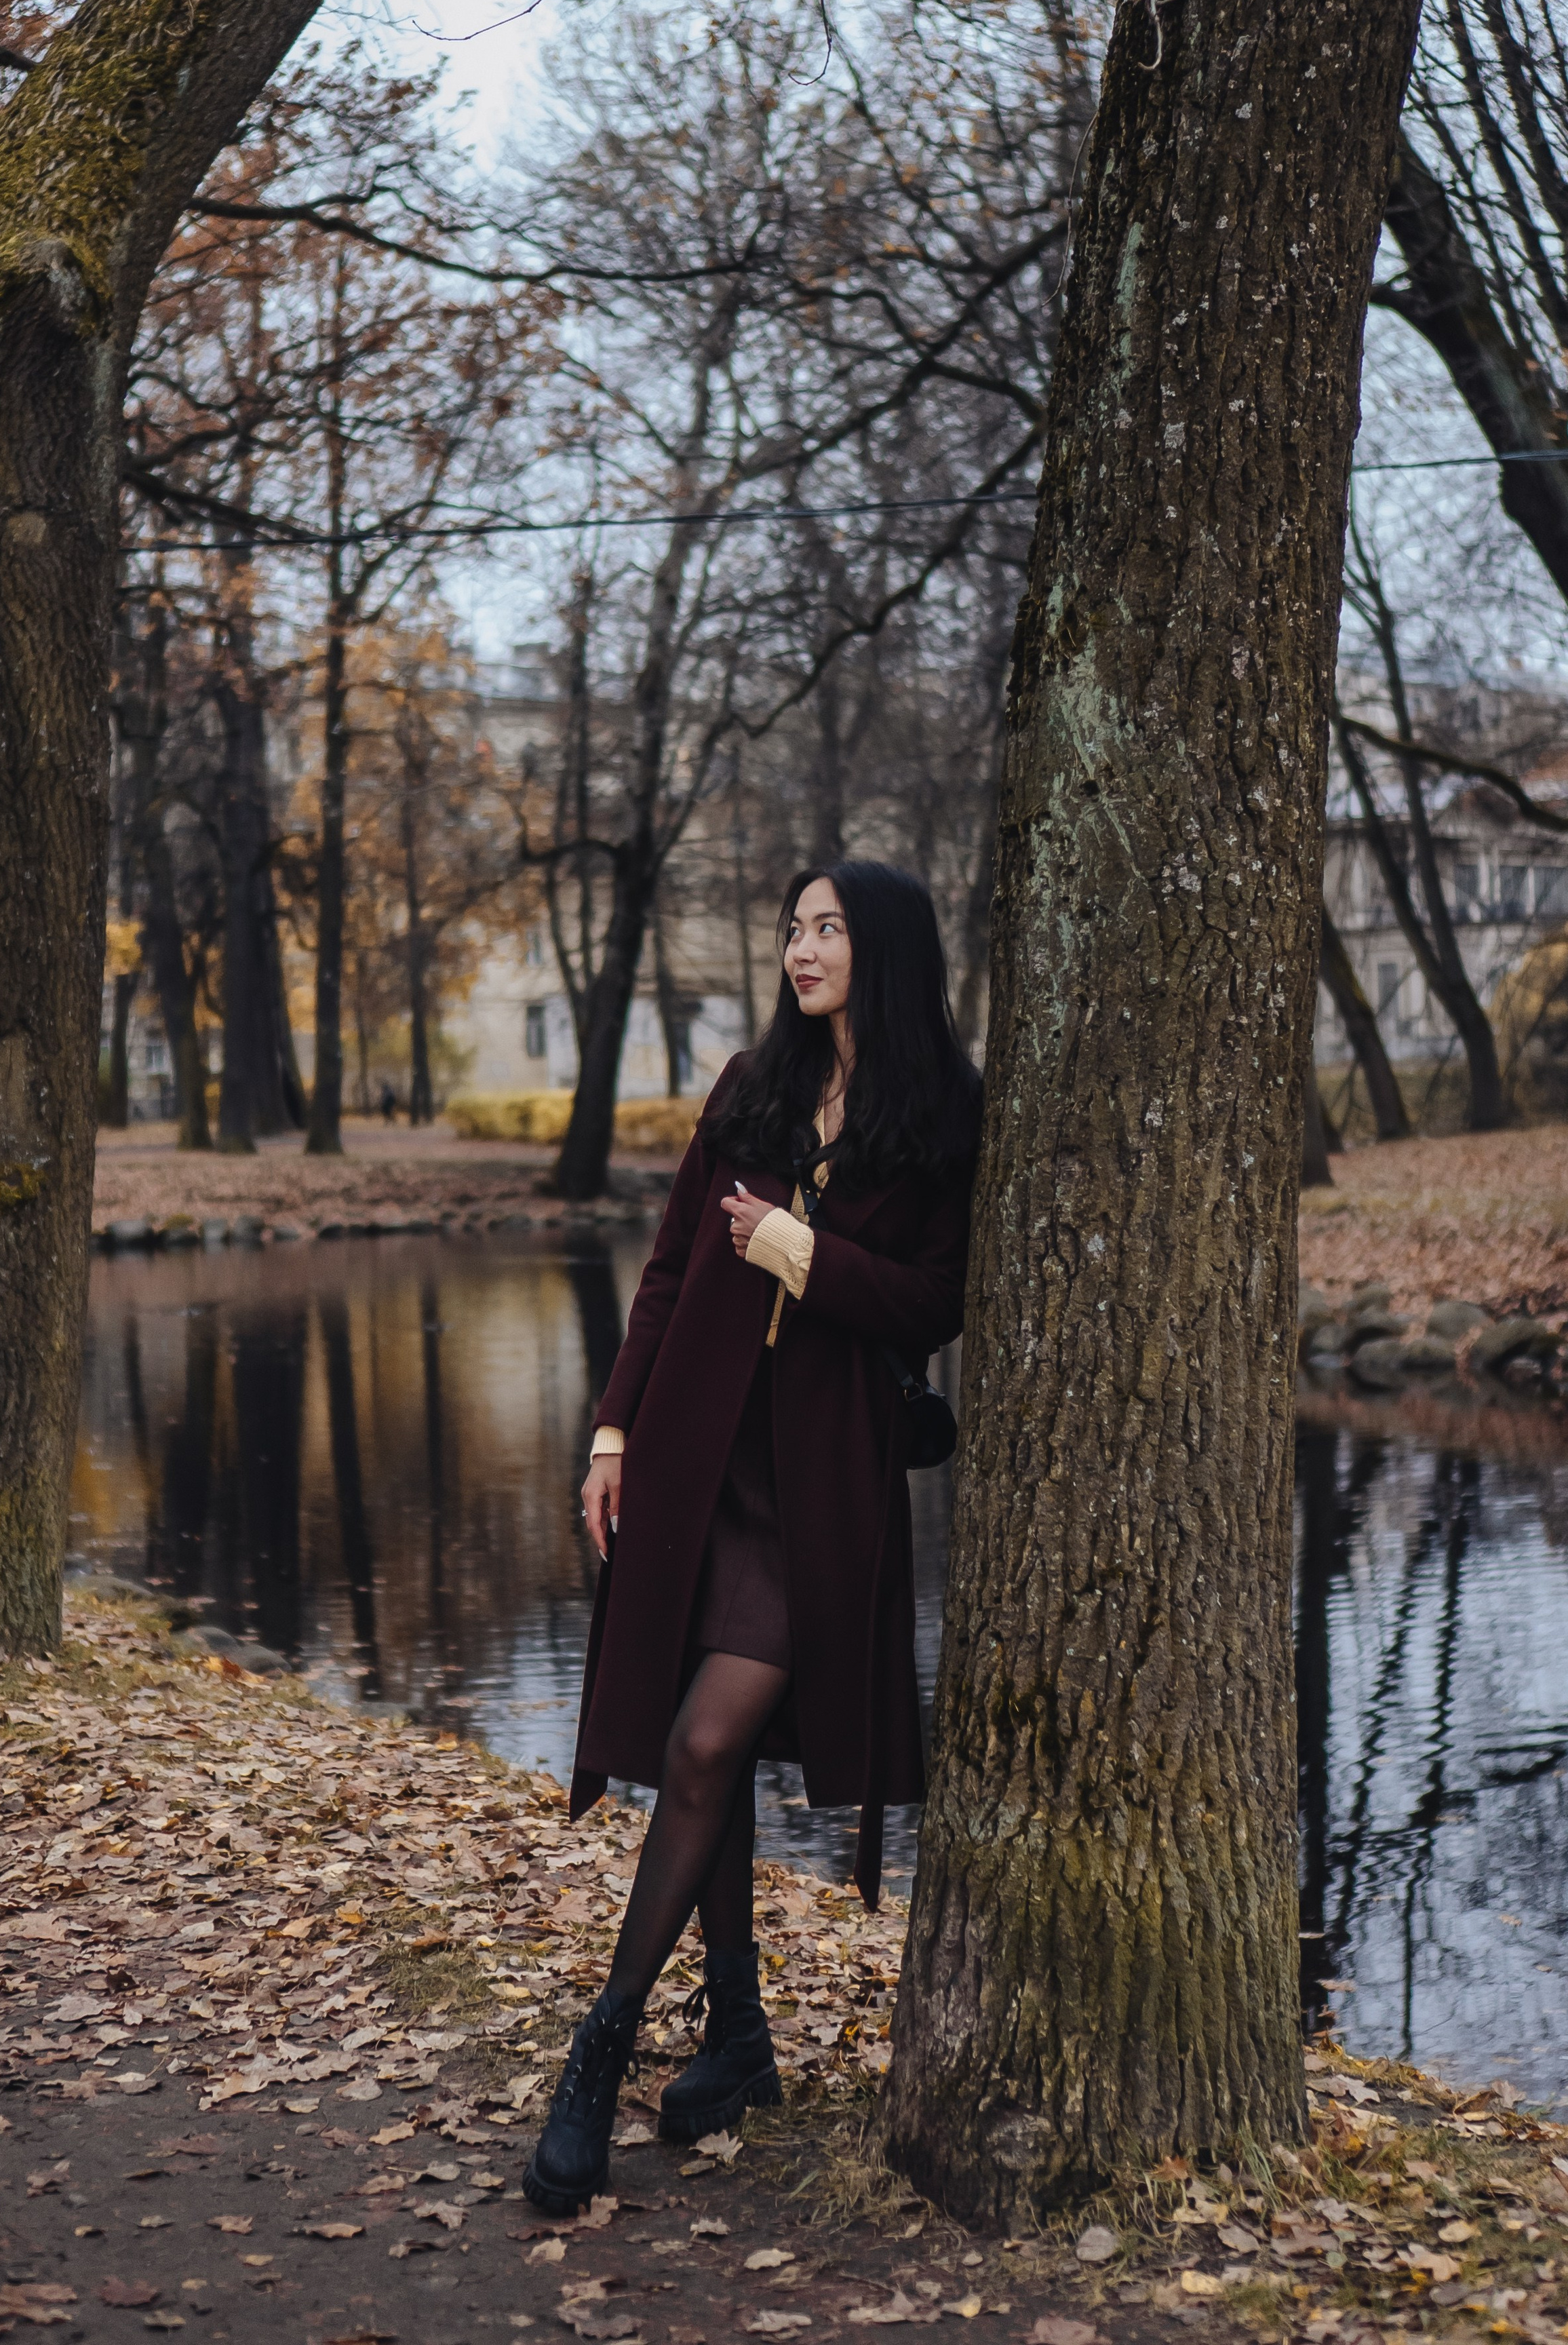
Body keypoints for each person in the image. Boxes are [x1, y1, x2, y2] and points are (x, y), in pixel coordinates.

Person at [522, 861, 982, 2216]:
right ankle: (733, 2036)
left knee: (708, 1744)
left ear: (884, 949)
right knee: (689, 1751)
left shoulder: (944, 1115)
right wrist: (610, 1437)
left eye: (827, 928)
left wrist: (794, 1248)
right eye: (793, 927)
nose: (800, 948)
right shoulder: (749, 1090)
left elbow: (931, 1303)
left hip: (819, 1487)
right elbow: (667, 1269)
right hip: (693, 1464)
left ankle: (597, 2052)